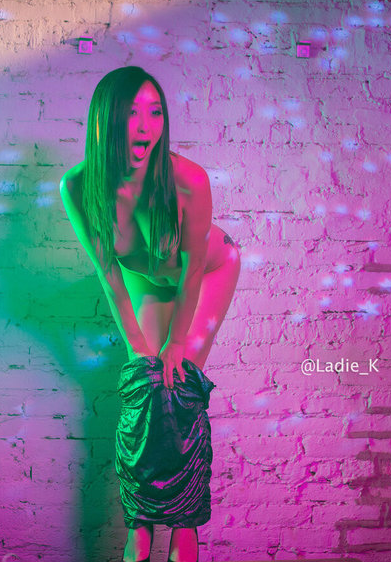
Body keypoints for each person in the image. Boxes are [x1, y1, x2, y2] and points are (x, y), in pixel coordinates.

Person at [59, 66, 240, 562]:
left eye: (155, 112)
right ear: (105, 120)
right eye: (132, 112)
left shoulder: (188, 179)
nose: (145, 126)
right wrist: (141, 351)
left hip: (206, 273)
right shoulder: (78, 186)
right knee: (145, 387)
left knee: (179, 388)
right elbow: (109, 275)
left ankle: (184, 523)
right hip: (145, 280)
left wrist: (177, 343)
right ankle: (141, 522)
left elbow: (193, 267)